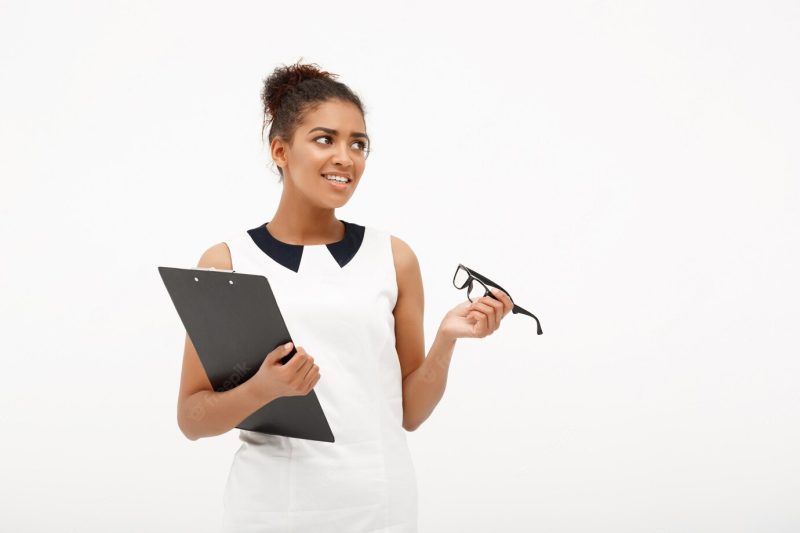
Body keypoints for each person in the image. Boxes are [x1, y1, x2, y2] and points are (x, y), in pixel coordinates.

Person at [176, 59, 515, 533]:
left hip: (380, 506)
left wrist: (446, 339)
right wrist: (264, 389)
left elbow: (409, 414)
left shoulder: (393, 258)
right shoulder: (228, 262)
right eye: (324, 139)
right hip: (273, 509)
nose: (346, 157)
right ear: (280, 150)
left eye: (359, 144)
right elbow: (192, 418)